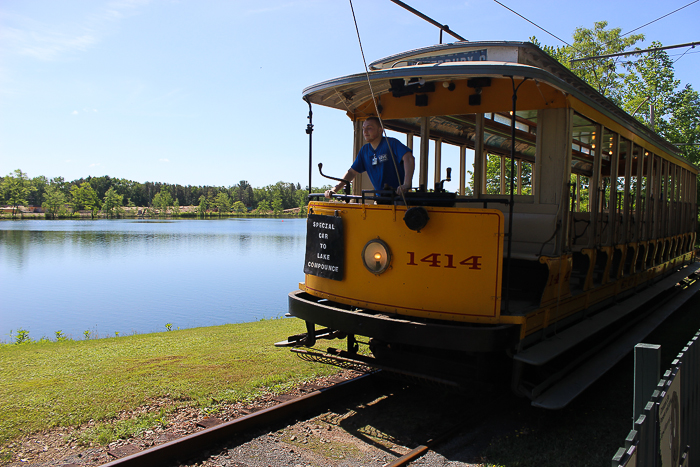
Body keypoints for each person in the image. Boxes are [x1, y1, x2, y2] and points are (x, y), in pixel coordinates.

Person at [324, 117, 415, 198]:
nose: (365, 132)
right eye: (363, 128)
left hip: (399, 198)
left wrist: (406, 184)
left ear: (380, 130)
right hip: (380, 199)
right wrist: (334, 189)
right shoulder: (364, 151)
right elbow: (351, 172)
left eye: (369, 128)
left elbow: (409, 158)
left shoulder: (391, 143)